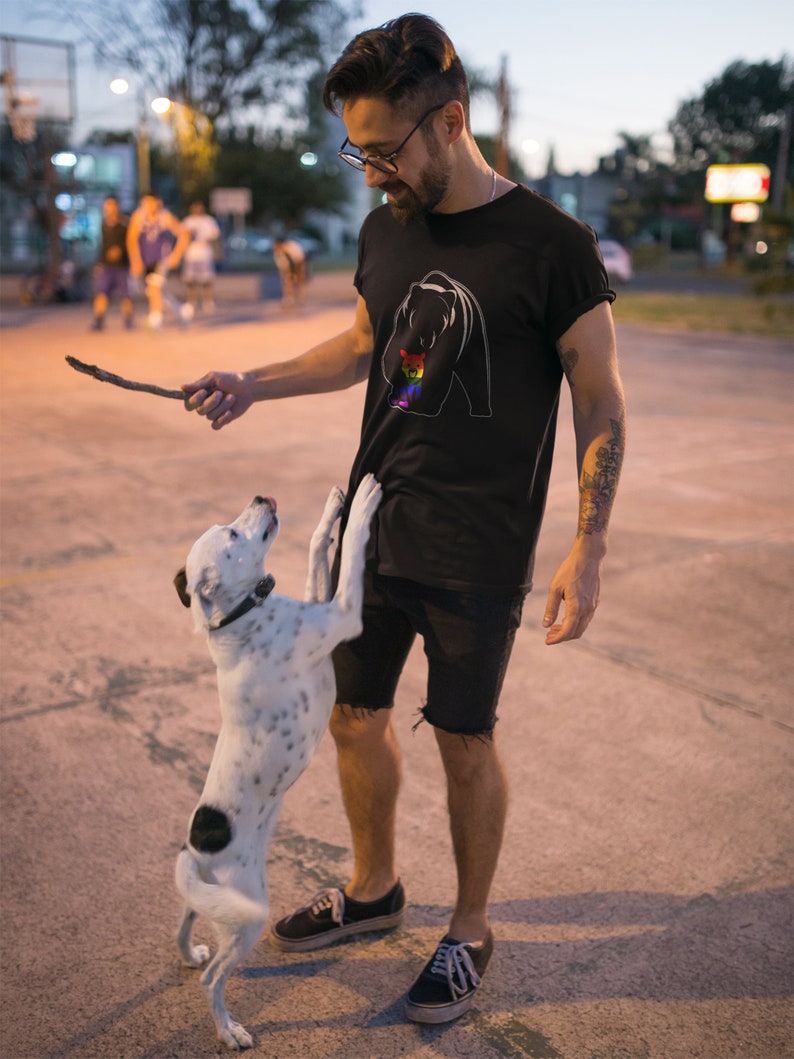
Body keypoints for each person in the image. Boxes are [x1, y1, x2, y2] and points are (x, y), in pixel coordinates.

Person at [182, 12, 626, 1026]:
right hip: (370, 531)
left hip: (479, 548)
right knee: (352, 714)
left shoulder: (550, 246)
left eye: (382, 150)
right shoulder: (385, 227)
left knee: (463, 740)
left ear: (449, 122)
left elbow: (599, 401)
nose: (368, 171)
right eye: (357, 149)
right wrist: (249, 381)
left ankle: (468, 931)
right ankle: (373, 890)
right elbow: (358, 347)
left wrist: (586, 545)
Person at [126, 193, 192, 330]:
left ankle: (155, 320)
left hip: (162, 259)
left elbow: (184, 234)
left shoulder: (165, 216)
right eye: (145, 203)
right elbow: (131, 239)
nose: (148, 206)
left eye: (151, 202)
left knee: (154, 288)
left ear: (158, 202)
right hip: (145, 260)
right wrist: (135, 261)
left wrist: (176, 255)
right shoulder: (138, 217)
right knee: (155, 291)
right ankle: (182, 310)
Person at [91, 196, 133, 331]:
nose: (109, 209)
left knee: (125, 295)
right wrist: (99, 263)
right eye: (107, 206)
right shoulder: (104, 224)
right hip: (106, 266)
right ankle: (99, 320)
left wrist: (121, 251)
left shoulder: (125, 224)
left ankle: (128, 321)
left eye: (111, 206)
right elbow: (103, 245)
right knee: (101, 293)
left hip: (121, 266)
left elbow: (131, 243)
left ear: (117, 207)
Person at [181, 200, 221, 312]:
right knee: (190, 280)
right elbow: (182, 236)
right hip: (191, 255)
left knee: (206, 280)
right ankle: (191, 302)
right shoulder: (187, 221)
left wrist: (206, 239)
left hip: (204, 254)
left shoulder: (208, 220)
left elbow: (215, 234)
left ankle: (208, 302)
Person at [271, 235, 307, 308]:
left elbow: (298, 261)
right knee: (286, 282)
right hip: (289, 266)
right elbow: (281, 265)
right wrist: (285, 275)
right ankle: (288, 299)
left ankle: (300, 298)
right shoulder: (278, 252)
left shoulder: (291, 248)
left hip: (299, 263)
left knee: (298, 281)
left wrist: (293, 274)